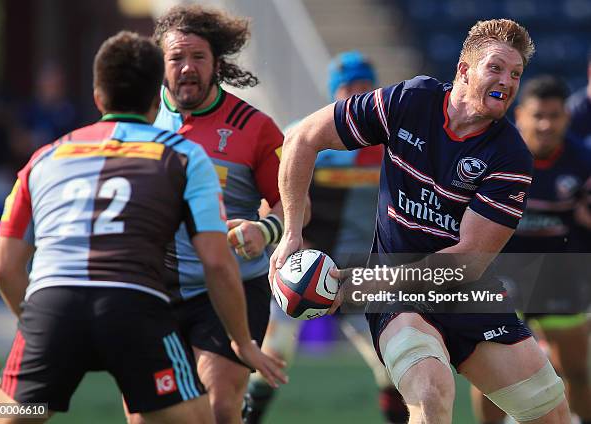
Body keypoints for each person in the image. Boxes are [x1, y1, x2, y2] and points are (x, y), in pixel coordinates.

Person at [271, 18, 572, 423]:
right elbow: (303, 138)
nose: (508, 80)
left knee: (549, 413)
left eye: (516, 73)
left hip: (466, 293)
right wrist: (291, 233)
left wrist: (360, 282)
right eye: (496, 68)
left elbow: (466, 262)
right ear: (464, 70)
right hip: (399, 298)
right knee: (431, 394)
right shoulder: (411, 101)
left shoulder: (510, 155)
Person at [0, 31, 284, 424]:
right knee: (198, 419)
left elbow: (4, 268)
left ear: (97, 98)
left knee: (10, 415)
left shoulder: (45, 157)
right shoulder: (182, 156)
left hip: (51, 303)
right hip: (135, 304)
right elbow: (217, 262)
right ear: (154, 101)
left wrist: (38, 327)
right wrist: (243, 342)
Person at [140, 5, 305, 423]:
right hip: (155, 288)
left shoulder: (254, 127)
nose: (187, 68)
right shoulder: (138, 119)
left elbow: (296, 201)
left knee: (217, 407)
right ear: (161, 63)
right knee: (147, 415)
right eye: (176, 58)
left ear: (217, 64)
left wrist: (265, 229)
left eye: (198, 57)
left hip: (232, 287)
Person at [245, 51, 407, 424]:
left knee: (389, 362)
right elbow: (274, 200)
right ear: (334, 91)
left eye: (365, 85)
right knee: (274, 352)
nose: (357, 92)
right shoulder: (306, 135)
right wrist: (288, 238)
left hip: (361, 272)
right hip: (304, 267)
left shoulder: (392, 143)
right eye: (349, 86)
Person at [471, 76, 591, 424]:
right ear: (520, 115)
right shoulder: (495, 153)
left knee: (577, 371)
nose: (545, 124)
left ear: (566, 119)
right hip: (502, 271)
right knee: (489, 372)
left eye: (555, 116)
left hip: (561, 272)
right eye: (538, 115)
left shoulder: (581, 162)